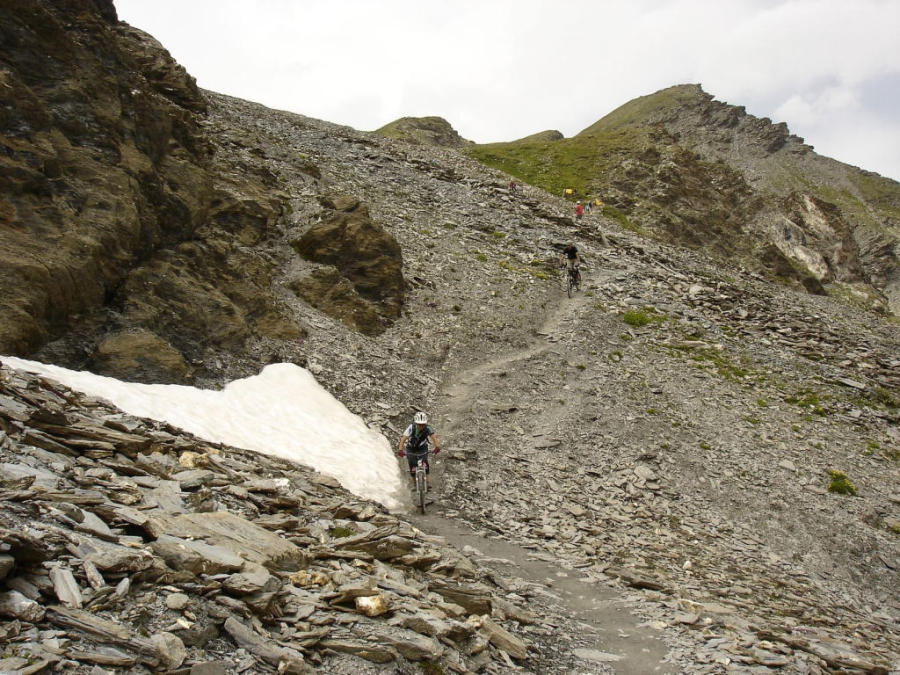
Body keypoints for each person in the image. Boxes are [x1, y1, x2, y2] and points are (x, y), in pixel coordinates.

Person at [398, 411, 441, 486]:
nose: (421, 426)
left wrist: (437, 447)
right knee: (412, 464)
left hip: (422, 447)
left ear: (425, 424)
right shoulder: (411, 427)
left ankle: (427, 483)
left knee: (425, 462)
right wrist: (400, 450)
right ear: (416, 423)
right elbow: (403, 439)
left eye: (423, 424)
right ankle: (415, 483)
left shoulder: (428, 428)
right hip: (411, 447)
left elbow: (434, 438)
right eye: (419, 424)